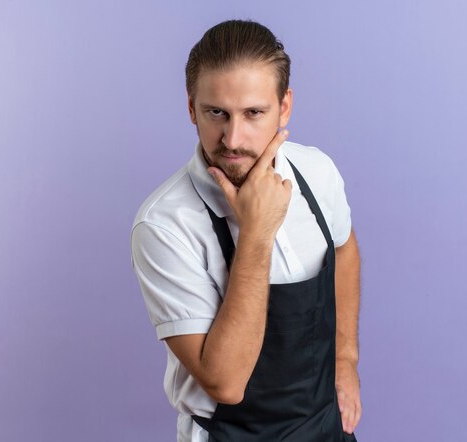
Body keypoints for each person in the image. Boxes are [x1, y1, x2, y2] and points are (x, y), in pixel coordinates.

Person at [131, 19, 362, 442]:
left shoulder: (316, 171)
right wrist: (257, 232)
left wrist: (346, 358)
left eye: (254, 113)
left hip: (326, 428)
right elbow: (226, 383)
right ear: (190, 109)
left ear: (284, 107)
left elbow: (344, 250)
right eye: (216, 112)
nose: (233, 138)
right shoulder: (165, 224)